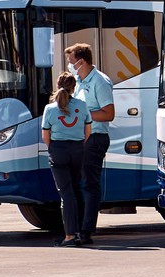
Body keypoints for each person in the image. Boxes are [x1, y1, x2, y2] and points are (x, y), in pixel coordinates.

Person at [65, 43, 114, 246]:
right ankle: (77, 228)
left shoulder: (100, 82)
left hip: (95, 139)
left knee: (89, 184)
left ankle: (86, 230)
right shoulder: (78, 80)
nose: (69, 66)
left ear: (81, 61)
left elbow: (108, 113)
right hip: (79, 139)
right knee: (77, 184)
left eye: (70, 62)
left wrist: (83, 114)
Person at [41, 72, 91, 247]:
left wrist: (54, 148)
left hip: (58, 150)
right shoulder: (83, 105)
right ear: (74, 87)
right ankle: (80, 233)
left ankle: (69, 236)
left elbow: (45, 136)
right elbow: (87, 132)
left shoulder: (50, 109)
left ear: (57, 86)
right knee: (78, 190)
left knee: (66, 193)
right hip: (77, 149)